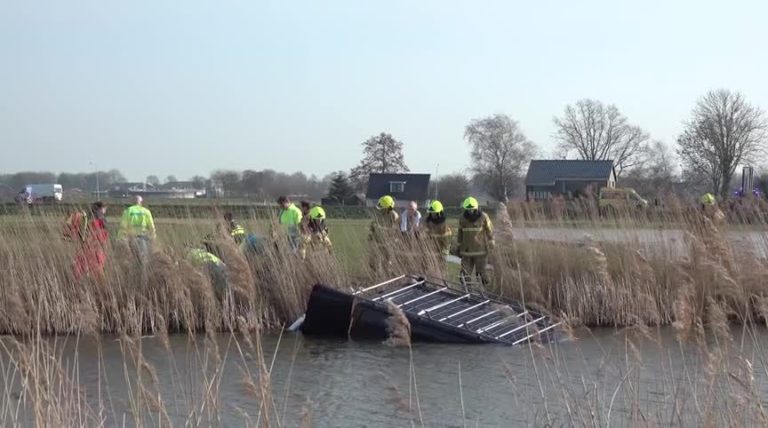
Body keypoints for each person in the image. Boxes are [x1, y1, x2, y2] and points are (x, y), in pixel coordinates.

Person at [455, 197, 495, 286]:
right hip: (466, 252)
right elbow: (460, 233)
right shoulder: (462, 218)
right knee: (465, 275)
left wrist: (491, 242)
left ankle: (485, 292)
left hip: (480, 252)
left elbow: (490, 230)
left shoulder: (483, 217)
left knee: (482, 274)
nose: (470, 211)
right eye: (468, 209)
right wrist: (458, 247)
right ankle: (466, 293)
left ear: (476, 208)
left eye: (472, 209)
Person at [67, 202, 109, 281]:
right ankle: (99, 283)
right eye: (104, 208)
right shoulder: (101, 219)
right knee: (97, 265)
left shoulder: (86, 217)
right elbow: (103, 234)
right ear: (100, 209)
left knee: (81, 262)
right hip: (96, 246)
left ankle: (76, 279)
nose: (105, 210)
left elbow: (79, 232)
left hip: (86, 244)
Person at [118, 195, 156, 284]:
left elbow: (123, 227)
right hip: (144, 239)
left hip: (131, 239)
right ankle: (143, 282)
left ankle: (132, 281)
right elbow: (152, 227)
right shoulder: (146, 212)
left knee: (132, 261)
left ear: (132, 202)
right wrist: (153, 238)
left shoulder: (128, 211)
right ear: (141, 202)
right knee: (144, 263)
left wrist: (121, 239)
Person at [368, 195, 400, 271]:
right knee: (373, 260)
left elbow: (396, 230)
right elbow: (372, 226)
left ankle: (387, 273)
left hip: (388, 242)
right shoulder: (379, 214)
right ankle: (375, 273)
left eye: (383, 208)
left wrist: (382, 229)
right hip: (377, 240)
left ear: (388, 208)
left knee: (387, 260)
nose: (381, 210)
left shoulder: (394, 216)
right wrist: (370, 235)